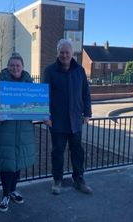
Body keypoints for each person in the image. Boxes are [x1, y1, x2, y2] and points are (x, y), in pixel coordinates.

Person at [0, 52, 35, 212]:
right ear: (8, 66)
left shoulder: (29, 82)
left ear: (22, 67)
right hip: (4, 128)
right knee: (7, 164)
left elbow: (35, 103)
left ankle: (13, 190)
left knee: (18, 162)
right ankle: (5, 194)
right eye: (12, 65)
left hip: (23, 129)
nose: (15, 68)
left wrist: (41, 113)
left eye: (18, 65)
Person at [42, 39, 92, 195]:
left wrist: (87, 113)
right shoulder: (49, 71)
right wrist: (45, 115)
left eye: (67, 52)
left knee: (77, 151)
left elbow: (85, 92)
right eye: (62, 52)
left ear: (72, 54)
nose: (64, 55)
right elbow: (44, 96)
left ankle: (79, 179)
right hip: (57, 121)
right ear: (57, 53)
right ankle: (57, 180)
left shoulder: (80, 70)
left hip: (76, 120)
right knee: (57, 152)